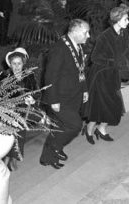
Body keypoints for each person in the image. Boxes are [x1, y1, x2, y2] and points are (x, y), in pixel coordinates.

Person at [40, 19, 90, 169]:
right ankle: (54, 147)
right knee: (74, 126)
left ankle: (48, 157)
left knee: (62, 126)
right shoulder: (59, 48)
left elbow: (81, 70)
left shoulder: (78, 46)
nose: (88, 36)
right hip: (60, 98)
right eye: (85, 32)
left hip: (74, 95)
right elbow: (50, 76)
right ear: (74, 32)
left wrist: (85, 89)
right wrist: (53, 99)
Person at [84, 4, 129, 143]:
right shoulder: (105, 36)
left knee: (113, 104)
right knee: (99, 105)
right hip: (101, 75)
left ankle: (102, 128)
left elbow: (121, 54)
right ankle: (89, 128)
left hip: (113, 74)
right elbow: (94, 58)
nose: (128, 22)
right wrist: (113, 62)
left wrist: (124, 68)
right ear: (117, 20)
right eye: (125, 19)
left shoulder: (123, 33)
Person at [0, 48, 38, 170]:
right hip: (9, 111)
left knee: (21, 134)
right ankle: (7, 157)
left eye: (19, 63)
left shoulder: (29, 75)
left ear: (23, 64)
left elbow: (36, 91)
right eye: (14, 64)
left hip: (24, 110)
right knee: (10, 134)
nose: (16, 66)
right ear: (10, 64)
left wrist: (33, 98)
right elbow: (0, 95)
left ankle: (13, 157)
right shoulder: (5, 76)